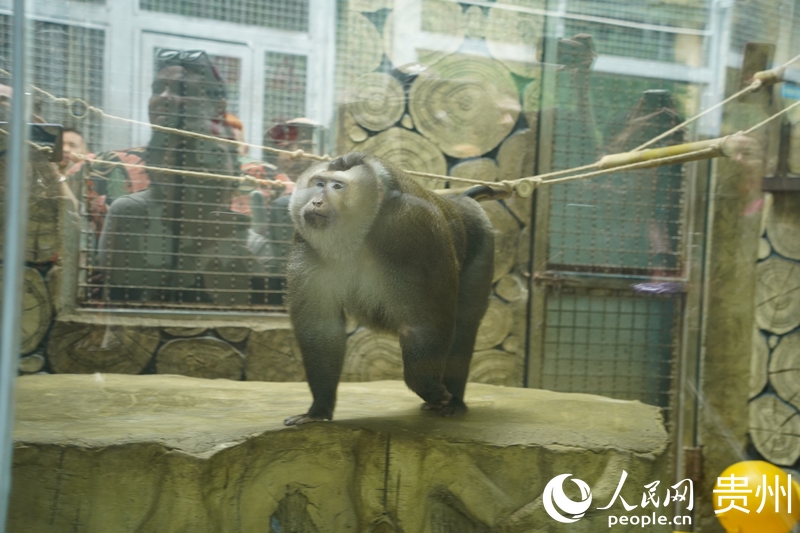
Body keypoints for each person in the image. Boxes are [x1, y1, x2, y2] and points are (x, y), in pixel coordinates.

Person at [81, 49, 283, 305]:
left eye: (181, 89)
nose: (164, 97)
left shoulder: (263, 193)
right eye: (158, 88)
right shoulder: (115, 190)